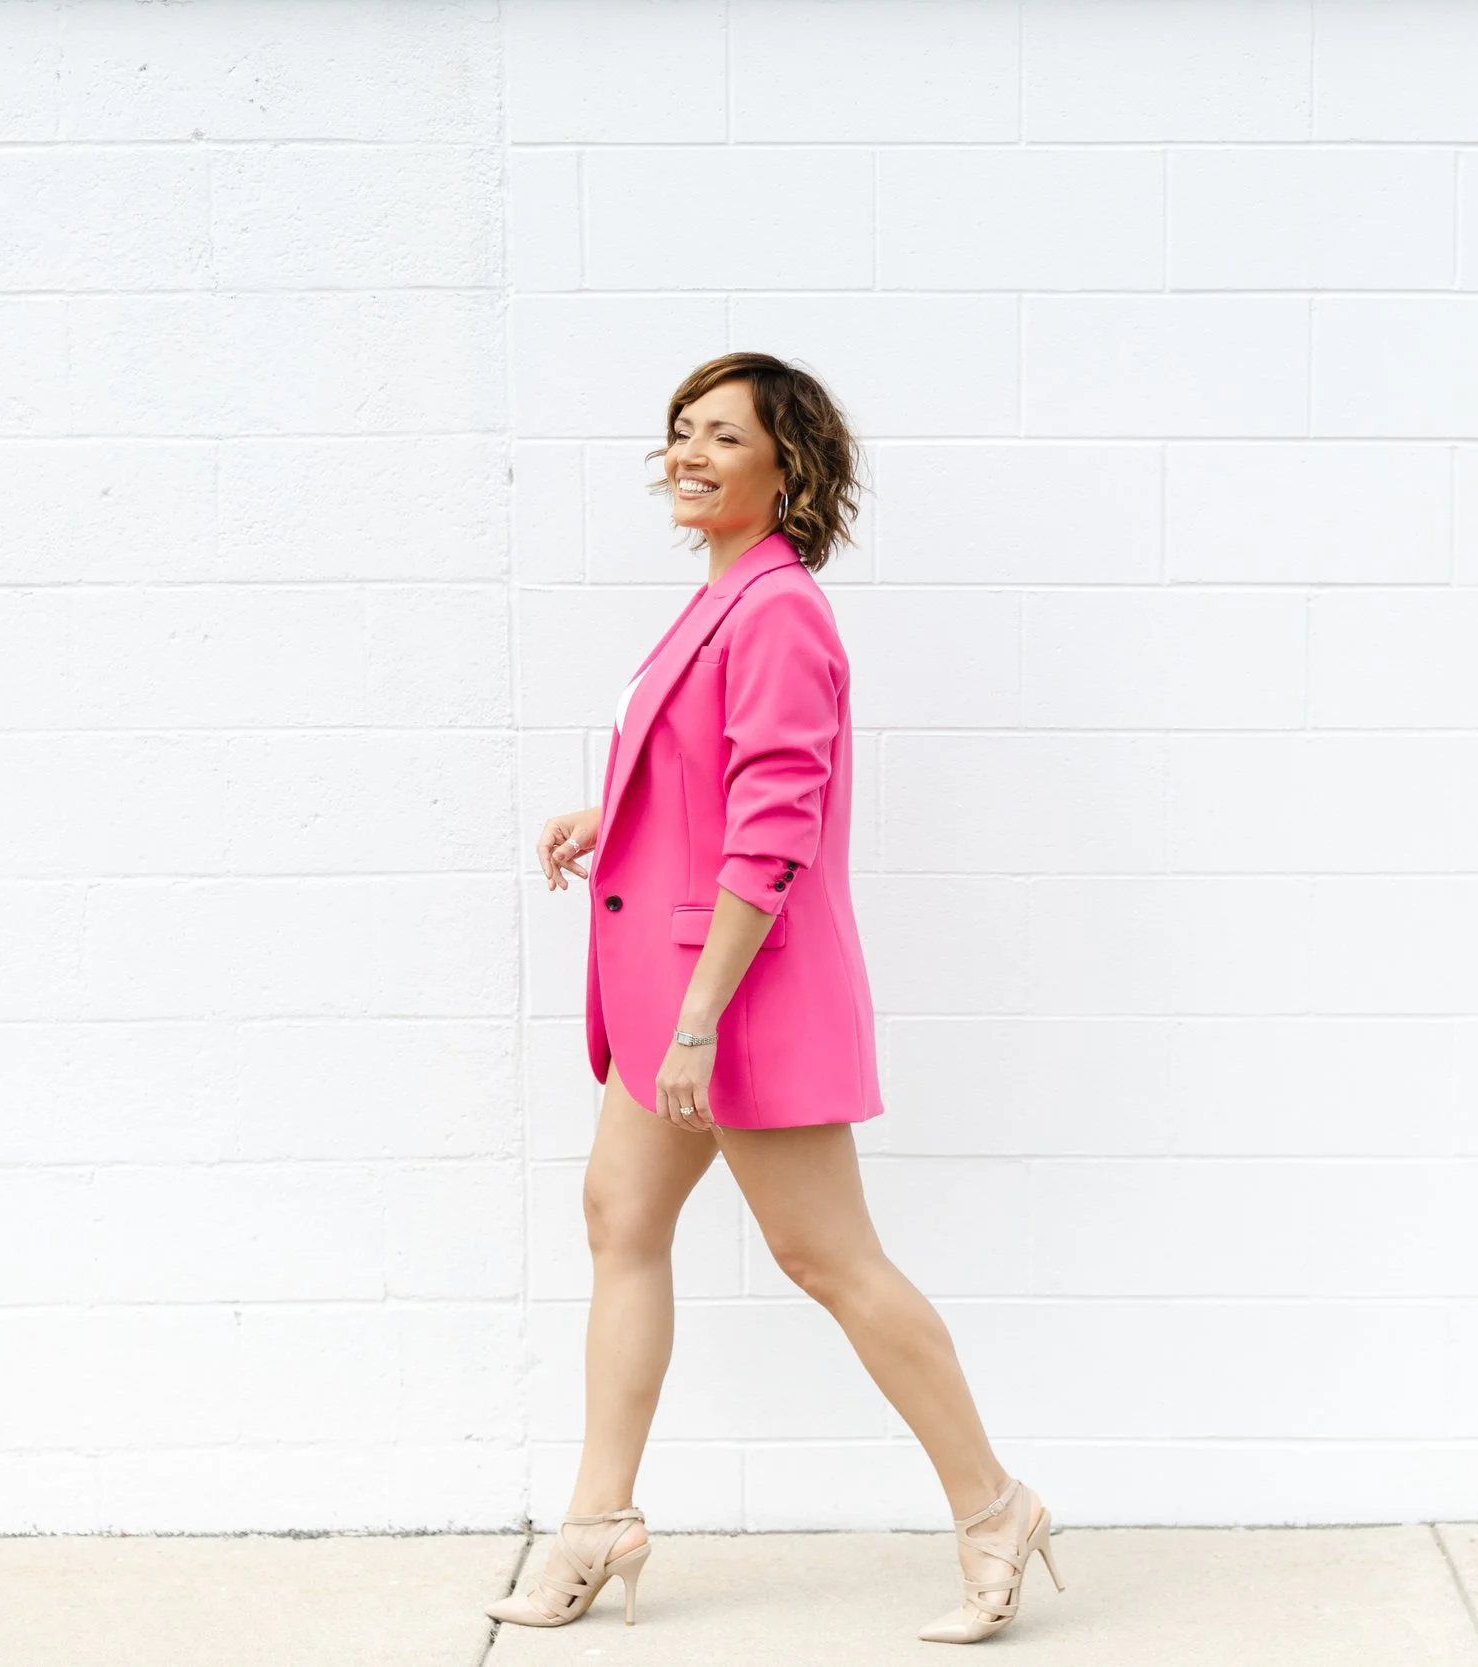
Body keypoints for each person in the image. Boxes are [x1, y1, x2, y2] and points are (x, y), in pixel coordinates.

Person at [486, 353, 1063, 1645]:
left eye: (722, 436)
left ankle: (995, 1506)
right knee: (618, 1216)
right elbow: (709, 784)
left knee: (826, 1256)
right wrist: (616, 816)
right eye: (680, 431)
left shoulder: (780, 612)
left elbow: (773, 833)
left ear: (785, 469)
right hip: (676, 990)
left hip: (732, 999)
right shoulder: (718, 601)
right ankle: (597, 1517)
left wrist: (697, 1019)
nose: (687, 453)